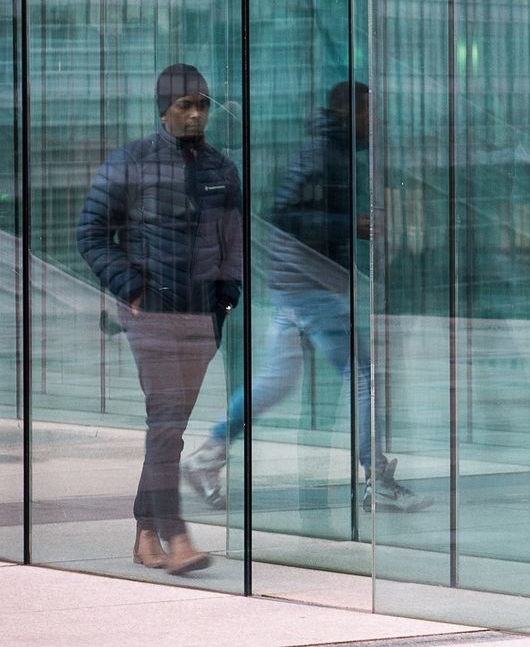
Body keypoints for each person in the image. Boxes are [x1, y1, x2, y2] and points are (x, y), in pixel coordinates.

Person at [182, 82, 427, 513]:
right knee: (363, 375)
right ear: (347, 112)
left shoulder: (331, 152)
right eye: (370, 113)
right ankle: (377, 477)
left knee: (276, 382)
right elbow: (287, 216)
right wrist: (351, 224)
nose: (376, 123)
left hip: (300, 284)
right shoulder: (322, 155)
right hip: (312, 285)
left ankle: (208, 455)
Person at [78, 64, 242, 574]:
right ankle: (176, 536)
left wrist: (225, 299)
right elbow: (91, 233)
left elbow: (233, 242)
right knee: (167, 424)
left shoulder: (222, 169)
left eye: (202, 105)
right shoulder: (131, 162)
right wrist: (133, 288)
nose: (195, 114)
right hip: (151, 314)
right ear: (164, 110)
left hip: (202, 319)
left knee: (168, 428)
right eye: (184, 106)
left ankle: (144, 532)